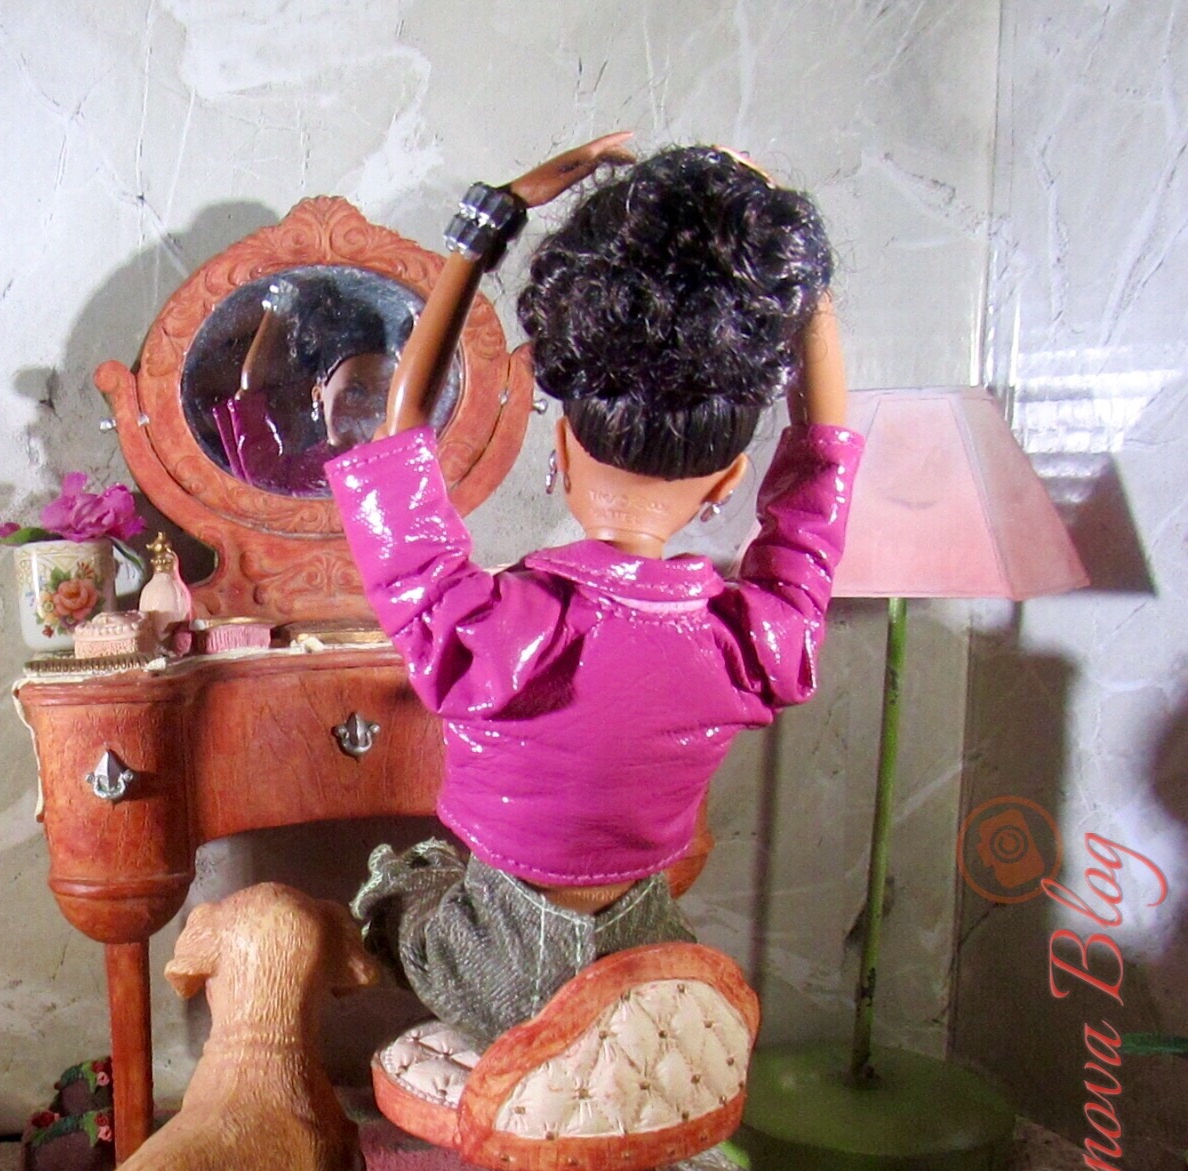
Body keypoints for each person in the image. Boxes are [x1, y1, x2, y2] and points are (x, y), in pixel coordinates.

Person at [327, 143, 859, 1045]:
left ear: (561, 447)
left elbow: (399, 429)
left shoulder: (482, 628)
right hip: (647, 958)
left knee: (396, 888)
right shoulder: (755, 641)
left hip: (498, 966)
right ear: (730, 481)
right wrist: (797, 267)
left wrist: (487, 223)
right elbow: (820, 475)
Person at [212, 275, 407, 496]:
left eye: (385, 396)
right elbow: (250, 391)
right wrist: (278, 308)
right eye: (355, 392)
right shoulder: (305, 474)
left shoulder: (397, 458)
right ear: (318, 394)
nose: (370, 409)